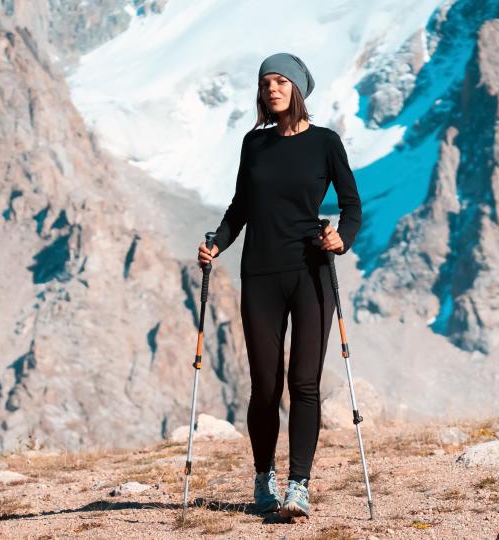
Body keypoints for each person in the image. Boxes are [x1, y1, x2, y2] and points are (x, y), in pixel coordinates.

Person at [197, 52, 362, 518]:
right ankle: (263, 475)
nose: (271, 88)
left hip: (311, 273)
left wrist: (340, 239)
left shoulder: (326, 143)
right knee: (265, 386)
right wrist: (217, 245)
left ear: (297, 88)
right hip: (261, 276)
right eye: (265, 82)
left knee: (303, 382)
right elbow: (239, 209)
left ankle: (299, 487)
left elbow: (352, 206)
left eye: (280, 81)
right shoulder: (255, 145)